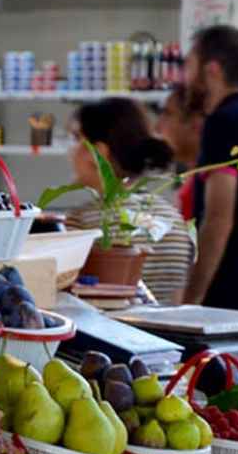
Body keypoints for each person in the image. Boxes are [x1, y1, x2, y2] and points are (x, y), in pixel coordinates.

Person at [64, 97, 192, 303]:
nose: (70, 150)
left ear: (98, 153)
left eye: (76, 138)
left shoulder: (83, 223)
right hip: (170, 333)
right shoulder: (173, 218)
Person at [183, 25, 238, 307]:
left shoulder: (224, 121)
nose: (186, 77)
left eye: (190, 65)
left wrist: (193, 296)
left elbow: (219, 217)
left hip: (231, 288)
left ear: (212, 70)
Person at [156, 85, 205, 220]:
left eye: (167, 114)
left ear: (196, 124)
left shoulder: (214, 182)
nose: (158, 126)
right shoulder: (195, 179)